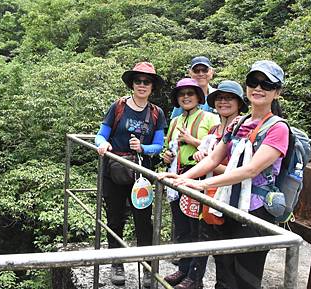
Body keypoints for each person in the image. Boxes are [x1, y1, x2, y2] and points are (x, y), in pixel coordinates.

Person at [160, 60, 289, 289]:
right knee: (224, 273)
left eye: (267, 84)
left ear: (276, 92)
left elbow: (250, 170)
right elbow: (213, 158)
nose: (258, 88)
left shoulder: (278, 128)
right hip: (227, 205)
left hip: (255, 212)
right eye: (253, 82)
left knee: (246, 277)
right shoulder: (238, 123)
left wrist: (204, 184)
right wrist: (183, 178)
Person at [169, 80, 248, 289]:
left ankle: (195, 279)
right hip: (205, 187)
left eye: (229, 98)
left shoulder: (242, 128)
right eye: (220, 98)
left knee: (219, 248)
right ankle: (191, 275)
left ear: (239, 103)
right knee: (196, 232)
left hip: (228, 194)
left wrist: (205, 164)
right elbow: (211, 159)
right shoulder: (216, 128)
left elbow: (239, 168)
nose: (223, 102)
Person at [95, 61, 167, 287]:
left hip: (141, 173)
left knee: (143, 222)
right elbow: (101, 134)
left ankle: (147, 267)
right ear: (132, 84)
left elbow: (159, 145)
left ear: (152, 86)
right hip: (114, 171)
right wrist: (103, 144)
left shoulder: (156, 113)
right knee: (115, 218)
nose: (142, 85)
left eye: (147, 82)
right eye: (138, 81)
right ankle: (117, 263)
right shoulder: (117, 107)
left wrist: (143, 148)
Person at [162, 78, 219, 287]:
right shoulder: (176, 121)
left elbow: (217, 150)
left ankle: (195, 278)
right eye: (182, 94)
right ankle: (183, 269)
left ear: (198, 97)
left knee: (198, 230)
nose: (186, 97)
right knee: (182, 228)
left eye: (190, 93)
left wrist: (192, 141)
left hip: (198, 178)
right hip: (176, 177)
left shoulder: (210, 118)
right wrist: (166, 156)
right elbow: (169, 146)